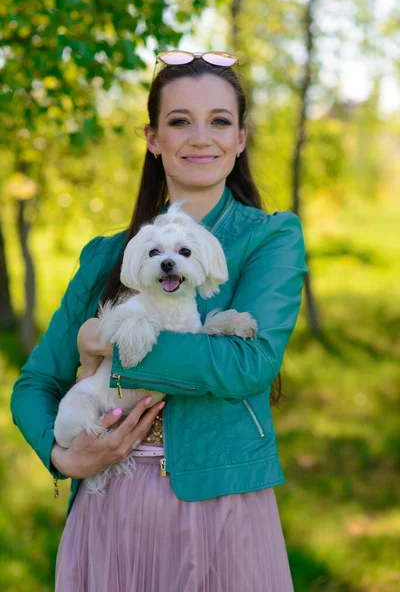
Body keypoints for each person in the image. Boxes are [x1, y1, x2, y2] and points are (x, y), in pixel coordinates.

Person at [11, 50, 308, 591]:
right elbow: (35, 384)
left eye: (219, 121)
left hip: (222, 506)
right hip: (109, 507)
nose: (201, 137)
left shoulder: (270, 237)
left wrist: (104, 345)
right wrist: (62, 458)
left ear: (240, 138)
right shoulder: (106, 255)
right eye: (179, 122)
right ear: (152, 139)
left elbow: (248, 365)